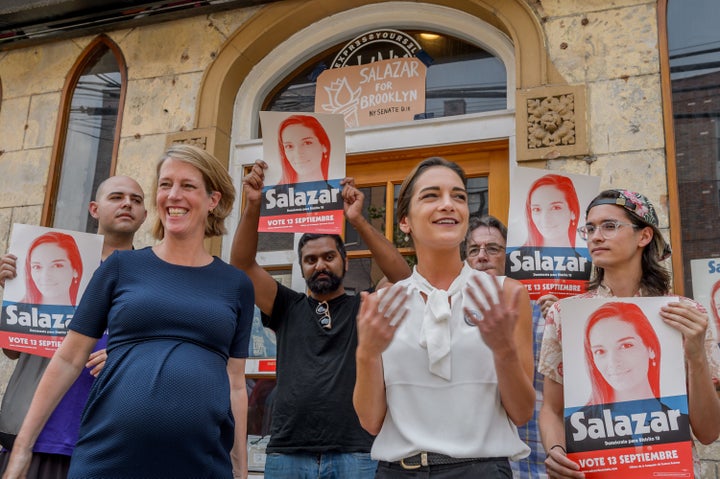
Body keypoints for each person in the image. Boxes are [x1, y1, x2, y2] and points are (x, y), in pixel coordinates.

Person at [3, 144, 254, 479]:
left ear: (213, 200)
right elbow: (67, 358)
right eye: (165, 185)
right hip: (109, 459)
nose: (173, 195)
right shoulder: (121, 267)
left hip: (200, 463)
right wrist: (22, 449)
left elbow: (235, 382)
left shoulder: (236, 285)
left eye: (188, 186)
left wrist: (240, 469)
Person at [353, 157, 535, 478]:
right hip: (398, 471)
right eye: (431, 195)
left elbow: (521, 413)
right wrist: (366, 354)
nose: (448, 204)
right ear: (405, 221)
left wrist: (504, 351)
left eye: (459, 196)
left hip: (483, 471)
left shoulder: (506, 295)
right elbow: (370, 422)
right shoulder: (383, 305)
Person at [230, 159, 411, 479]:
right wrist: (253, 206)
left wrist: (359, 221)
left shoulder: (365, 305)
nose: (320, 264)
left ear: (343, 261)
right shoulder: (286, 306)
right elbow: (242, 266)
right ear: (302, 268)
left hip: (357, 451)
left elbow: (402, 278)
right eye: (310, 259)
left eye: (329, 256)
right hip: (289, 453)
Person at [538, 189, 720, 479]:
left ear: (644, 236)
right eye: (590, 228)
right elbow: (550, 408)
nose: (596, 236)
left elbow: (709, 432)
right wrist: (556, 450)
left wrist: (697, 355)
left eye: (609, 226)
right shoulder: (564, 315)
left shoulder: (686, 315)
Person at [0, 174, 147, 477]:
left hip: (109, 437)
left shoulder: (153, 277)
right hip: (36, 433)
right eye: (117, 197)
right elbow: (12, 352)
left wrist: (129, 355)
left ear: (145, 215)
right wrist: (8, 291)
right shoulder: (56, 264)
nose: (127, 204)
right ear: (94, 209)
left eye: (136, 200)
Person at [463, 214, 555, 479]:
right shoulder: (449, 311)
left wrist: (563, 319)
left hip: (540, 459)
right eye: (473, 250)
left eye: (493, 249)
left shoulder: (542, 312)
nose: (482, 256)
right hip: (480, 462)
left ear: (511, 257)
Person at [21, 232, 83, 306]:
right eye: (37, 267)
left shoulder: (89, 315)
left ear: (75, 270)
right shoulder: (13, 312)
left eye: (57, 265)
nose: (45, 276)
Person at [523, 174, 580, 248]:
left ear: (573, 212)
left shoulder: (587, 258)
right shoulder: (514, 258)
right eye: (537, 209)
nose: (545, 219)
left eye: (555, 208)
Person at [277, 114, 331, 185]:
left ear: (324, 146)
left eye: (307, 143)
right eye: (289, 146)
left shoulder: (340, 194)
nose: (298, 154)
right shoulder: (271, 195)